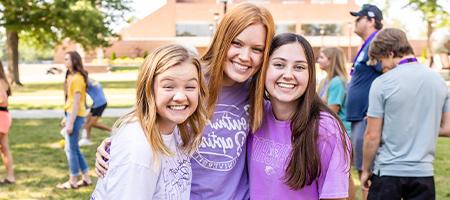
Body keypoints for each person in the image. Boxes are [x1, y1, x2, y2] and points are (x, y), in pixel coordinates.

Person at [94, 3, 275, 199]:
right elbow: (145, 119)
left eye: (257, 49)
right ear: (223, 39)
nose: (245, 56)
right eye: (236, 43)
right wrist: (114, 146)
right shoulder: (189, 80)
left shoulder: (258, 94)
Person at [91, 44, 207, 199]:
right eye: (168, 86)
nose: (180, 96)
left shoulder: (178, 130)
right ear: (148, 89)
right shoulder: (138, 149)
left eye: (190, 86)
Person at [247, 33, 351, 199]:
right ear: (264, 69)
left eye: (299, 67)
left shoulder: (325, 129)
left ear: (310, 75)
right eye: (279, 65)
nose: (288, 74)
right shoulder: (254, 117)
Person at [361, 28, 450, 200]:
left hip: (387, 172)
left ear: (390, 52)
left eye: (381, 60)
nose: (382, 67)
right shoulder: (439, 82)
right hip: (423, 174)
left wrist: (365, 170)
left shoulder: (382, 83)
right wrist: (419, 125)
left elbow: (372, 136)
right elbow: (447, 129)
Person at [346, 5, 383, 194]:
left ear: (371, 20)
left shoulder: (378, 42)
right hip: (358, 116)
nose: (355, 21)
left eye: (358, 18)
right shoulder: (367, 44)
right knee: (360, 168)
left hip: (366, 116)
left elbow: (386, 73)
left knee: (366, 172)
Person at [56, 51, 92, 189]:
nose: (64, 61)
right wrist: (66, 117)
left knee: (70, 150)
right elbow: (71, 101)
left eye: (67, 59)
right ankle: (86, 178)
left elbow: (77, 102)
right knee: (74, 148)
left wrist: (70, 122)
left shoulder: (77, 78)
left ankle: (73, 180)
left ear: (74, 61)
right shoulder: (71, 76)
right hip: (71, 114)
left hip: (76, 116)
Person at [317, 47, 351, 134]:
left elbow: (332, 110)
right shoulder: (324, 81)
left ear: (330, 60)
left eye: (321, 57)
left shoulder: (337, 82)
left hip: (339, 131)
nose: (318, 60)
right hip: (329, 128)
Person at [78, 78, 111, 146]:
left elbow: (83, 96)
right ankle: (86, 139)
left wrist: (85, 107)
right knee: (87, 122)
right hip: (97, 103)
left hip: (99, 104)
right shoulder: (91, 80)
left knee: (92, 123)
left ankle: (112, 131)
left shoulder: (84, 82)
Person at [0, 61, 15, 185]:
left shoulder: (0, 81)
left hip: (1, 116)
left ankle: (10, 176)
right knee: (4, 148)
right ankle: (10, 177)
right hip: (4, 115)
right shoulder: (3, 80)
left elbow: (2, 99)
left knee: (4, 148)